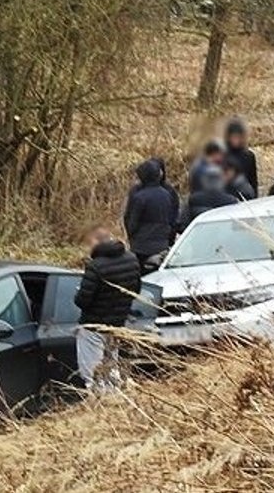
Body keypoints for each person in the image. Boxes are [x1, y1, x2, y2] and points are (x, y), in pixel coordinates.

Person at [73, 228, 141, 393]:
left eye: (89, 244)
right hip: (117, 324)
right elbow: (136, 290)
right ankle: (115, 401)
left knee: (93, 373)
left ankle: (100, 403)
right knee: (112, 368)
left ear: (96, 242)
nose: (89, 249)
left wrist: (78, 292)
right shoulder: (131, 259)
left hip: (94, 326)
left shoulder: (95, 266)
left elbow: (82, 301)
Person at [123, 159, 176, 270]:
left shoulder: (139, 197)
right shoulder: (167, 194)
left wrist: (132, 237)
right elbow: (172, 219)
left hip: (142, 245)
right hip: (162, 243)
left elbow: (132, 222)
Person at [180, 165, 237, 230]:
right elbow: (237, 227)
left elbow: (182, 225)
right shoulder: (231, 201)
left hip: (199, 236)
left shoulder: (192, 199)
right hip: (225, 237)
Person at [224, 118, 259, 196]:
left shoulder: (249, 156)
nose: (236, 140)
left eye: (239, 137)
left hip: (244, 193)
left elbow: (253, 181)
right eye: (234, 137)